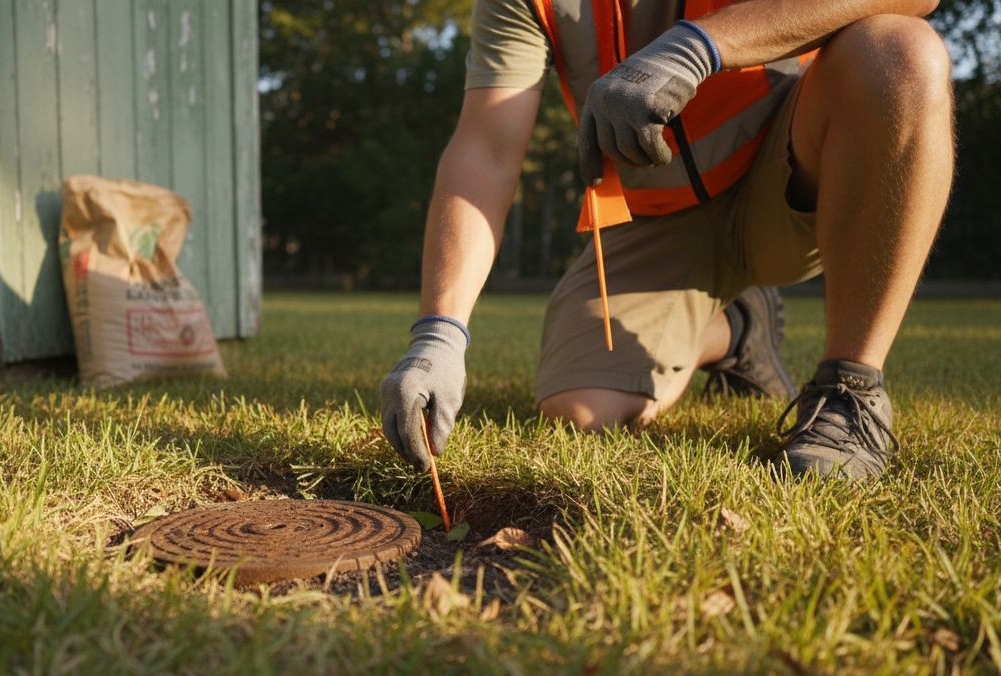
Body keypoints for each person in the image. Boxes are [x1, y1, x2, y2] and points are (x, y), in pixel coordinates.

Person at [379, 0, 953, 481]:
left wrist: (699, 45)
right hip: (655, 218)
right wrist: (440, 333)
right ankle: (737, 330)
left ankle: (850, 386)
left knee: (899, 51)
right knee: (578, 410)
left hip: (792, 176)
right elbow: (487, 149)